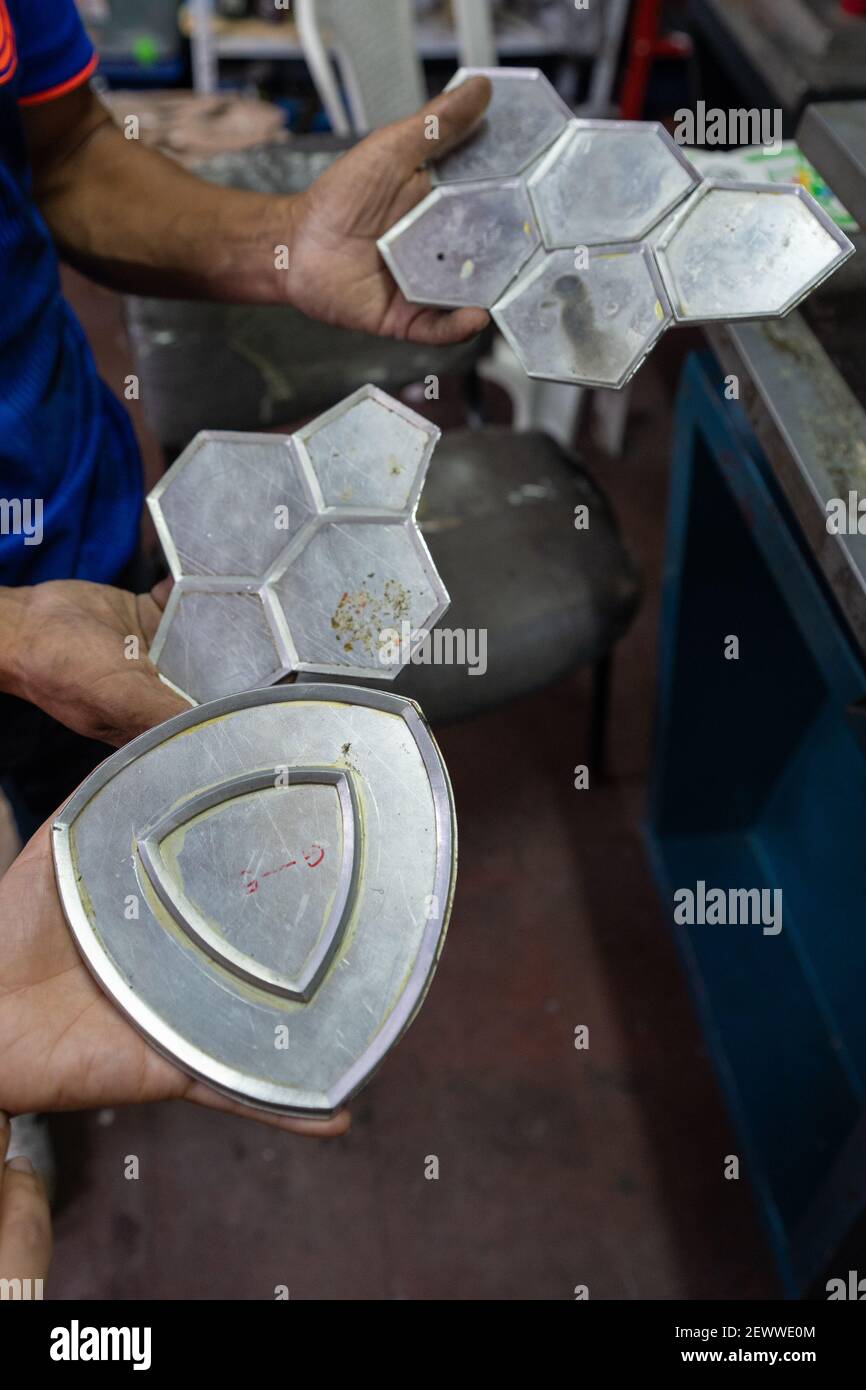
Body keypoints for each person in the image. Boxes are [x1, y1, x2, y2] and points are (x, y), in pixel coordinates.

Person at [0, 0, 491, 834]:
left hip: (79, 551)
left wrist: (283, 242)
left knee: (131, 863)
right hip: (34, 627)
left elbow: (70, 155)